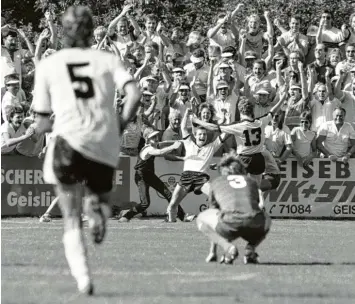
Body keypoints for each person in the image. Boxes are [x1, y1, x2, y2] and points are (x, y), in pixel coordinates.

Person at [31, 6, 141, 295]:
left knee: (69, 215)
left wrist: (42, 126)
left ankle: (83, 278)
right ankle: (99, 212)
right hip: (104, 141)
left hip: (68, 142)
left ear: (63, 33)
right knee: (101, 197)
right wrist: (120, 123)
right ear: (93, 32)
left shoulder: (49, 64)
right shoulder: (107, 59)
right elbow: (134, 92)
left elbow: (41, 121)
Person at [191, 91, 287, 209]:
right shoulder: (260, 122)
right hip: (258, 159)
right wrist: (283, 96)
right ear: (252, 110)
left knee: (233, 185)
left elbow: (215, 127)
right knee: (254, 189)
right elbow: (274, 110)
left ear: (241, 111)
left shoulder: (239, 126)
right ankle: (257, 208)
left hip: (244, 159)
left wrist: (197, 121)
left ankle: (222, 201)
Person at [196, 151, 271, 264]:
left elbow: (213, 211)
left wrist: (213, 252)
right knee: (266, 218)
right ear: (242, 170)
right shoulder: (251, 182)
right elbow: (257, 206)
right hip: (254, 224)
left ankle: (228, 248)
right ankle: (250, 249)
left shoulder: (217, 182)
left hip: (229, 224)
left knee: (202, 218)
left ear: (222, 170)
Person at [119, 128, 195, 222]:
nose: (156, 138)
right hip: (141, 177)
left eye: (156, 136)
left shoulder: (155, 145)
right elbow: (160, 152)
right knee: (145, 204)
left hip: (150, 175)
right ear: (147, 139)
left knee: (168, 194)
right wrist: (173, 146)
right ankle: (126, 216)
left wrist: (180, 143)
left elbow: (165, 144)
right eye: (153, 137)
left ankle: (183, 216)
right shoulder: (148, 149)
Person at [166, 126, 227, 222]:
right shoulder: (189, 143)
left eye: (204, 134)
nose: (202, 136)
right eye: (200, 134)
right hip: (186, 177)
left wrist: (234, 124)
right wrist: (187, 113)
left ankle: (222, 220)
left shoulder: (211, 146)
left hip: (201, 178)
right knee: (172, 205)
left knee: (216, 196)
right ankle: (171, 225)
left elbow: (225, 134)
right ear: (194, 135)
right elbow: (183, 127)